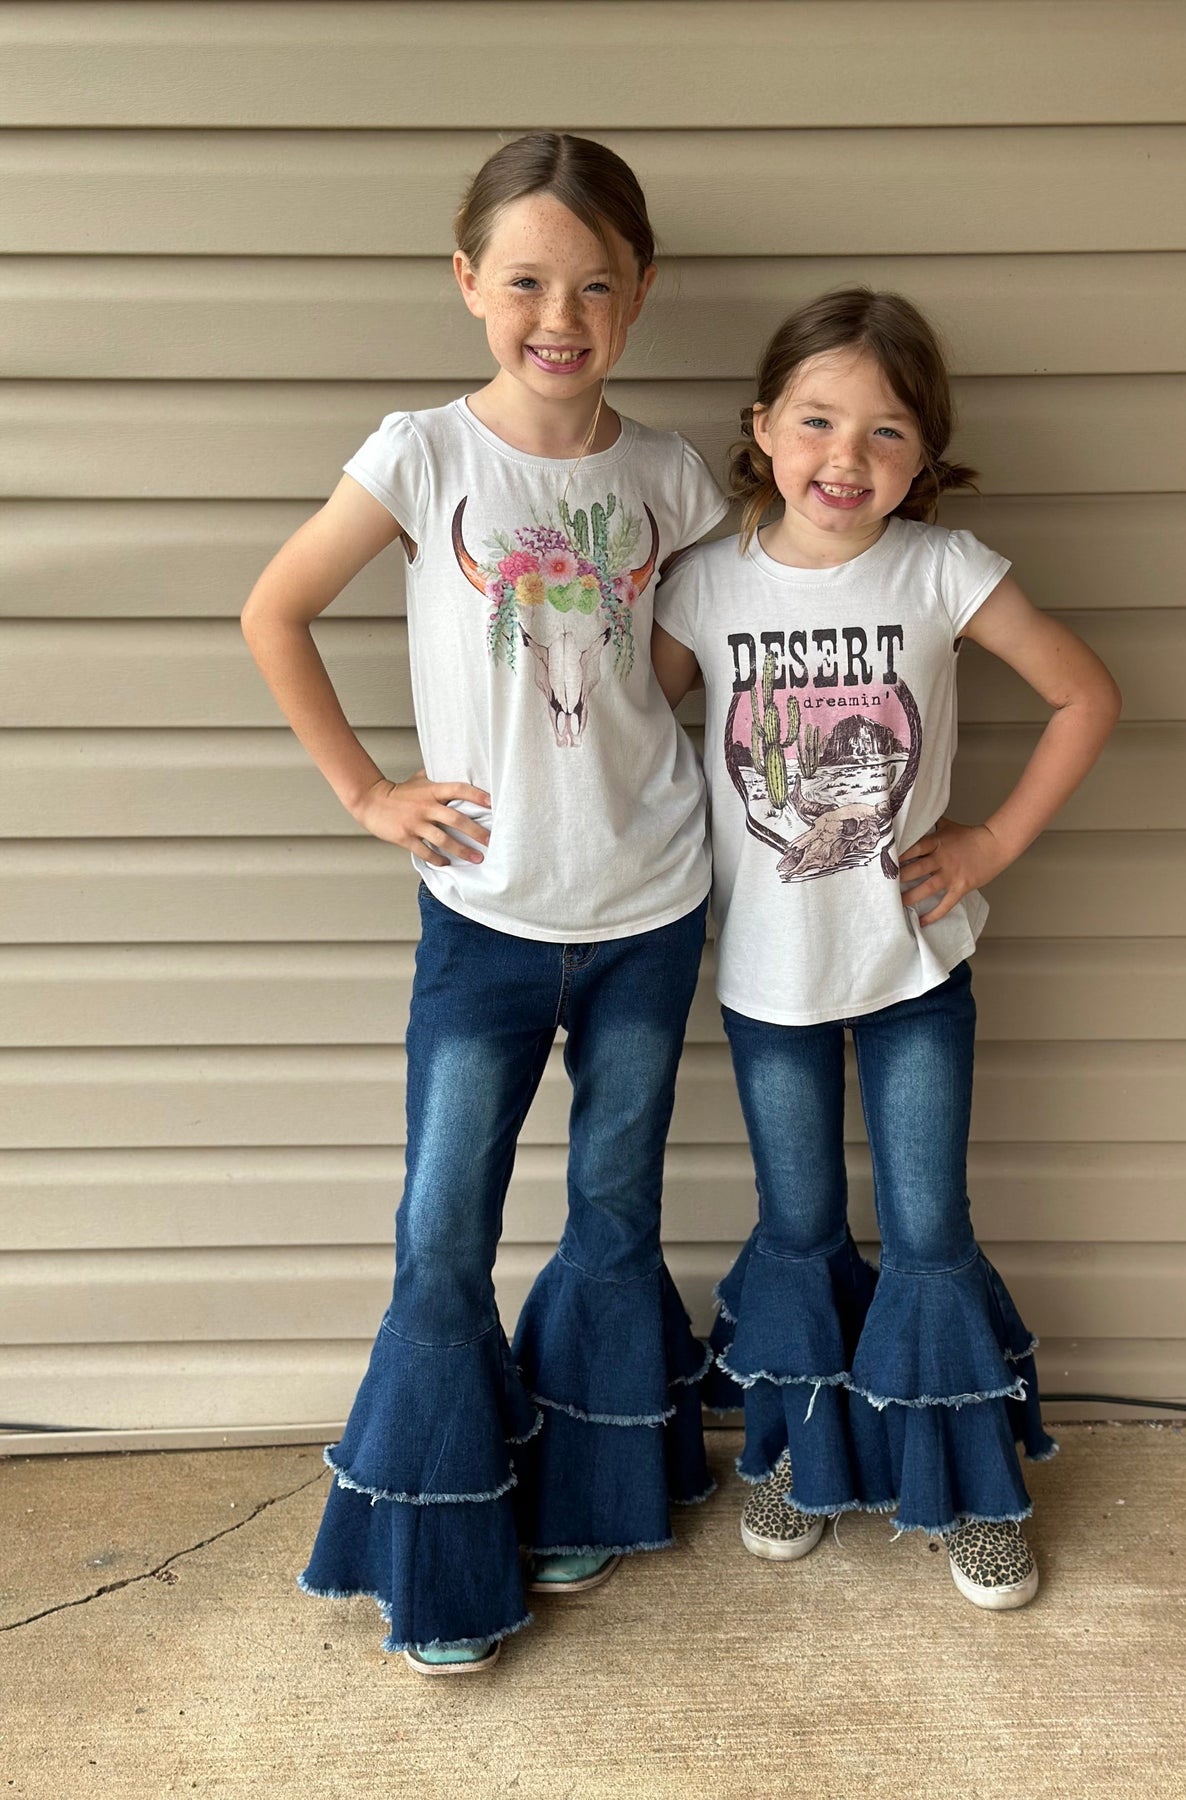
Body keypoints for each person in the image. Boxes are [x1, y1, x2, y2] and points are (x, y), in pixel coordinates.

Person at [241, 132, 728, 1672]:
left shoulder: (671, 479)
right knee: (441, 1228)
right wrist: (367, 793)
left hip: (651, 907)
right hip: (483, 922)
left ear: (640, 288)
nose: (557, 317)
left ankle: (590, 1494)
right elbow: (275, 609)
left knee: (612, 1210)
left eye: (593, 286)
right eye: (523, 282)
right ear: (467, 282)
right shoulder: (421, 456)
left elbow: (689, 658)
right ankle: (441, 1553)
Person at [652, 287, 1121, 1610]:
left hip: (915, 968)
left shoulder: (942, 569)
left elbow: (1084, 694)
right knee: (797, 1227)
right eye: (816, 421)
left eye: (886, 432)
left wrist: (991, 842)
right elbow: (621, 736)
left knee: (927, 1230)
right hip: (767, 977)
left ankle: (968, 1488)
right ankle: (801, 1457)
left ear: (925, 457)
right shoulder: (704, 585)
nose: (844, 457)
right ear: (762, 429)